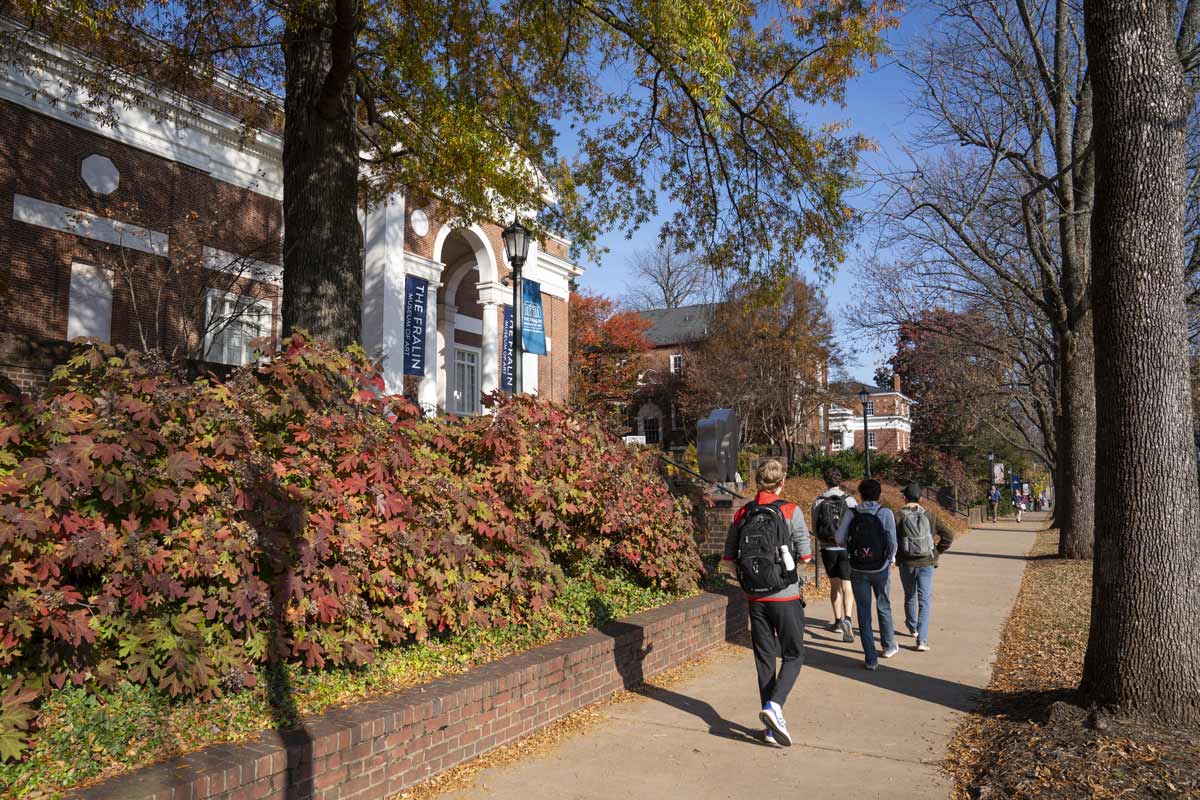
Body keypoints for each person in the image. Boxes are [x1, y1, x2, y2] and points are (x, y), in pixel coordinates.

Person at [720, 459, 812, 747]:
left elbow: (730, 561)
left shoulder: (743, 513)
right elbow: (807, 557)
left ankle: (771, 730)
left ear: (757, 482)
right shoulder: (790, 510)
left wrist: (751, 582)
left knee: (764, 659)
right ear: (782, 482)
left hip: (755, 597)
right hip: (786, 595)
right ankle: (775, 706)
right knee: (794, 654)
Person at [834, 478, 898, 670]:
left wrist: (851, 548)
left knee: (863, 612)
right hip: (880, 568)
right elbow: (893, 542)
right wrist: (889, 558)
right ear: (879, 494)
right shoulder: (885, 513)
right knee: (884, 605)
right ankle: (888, 645)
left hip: (858, 568)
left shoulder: (852, 513)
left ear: (860, 494)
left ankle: (870, 658)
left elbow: (839, 538)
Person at [895, 483, 955, 652]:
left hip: (906, 563)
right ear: (920, 498)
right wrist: (937, 551)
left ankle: (912, 626)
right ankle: (922, 639)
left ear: (905, 498)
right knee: (925, 600)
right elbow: (948, 535)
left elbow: (892, 539)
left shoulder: (898, 516)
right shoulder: (929, 515)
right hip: (927, 562)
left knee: (909, 595)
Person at [811, 468, 857, 642]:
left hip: (827, 548)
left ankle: (837, 622)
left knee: (834, 585)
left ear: (825, 481)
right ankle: (848, 619)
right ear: (840, 481)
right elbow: (856, 523)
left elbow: (815, 527)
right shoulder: (850, 500)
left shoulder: (819, 501)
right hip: (845, 548)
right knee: (847, 585)